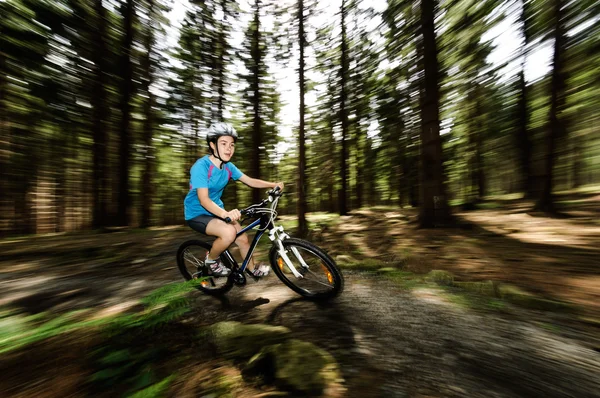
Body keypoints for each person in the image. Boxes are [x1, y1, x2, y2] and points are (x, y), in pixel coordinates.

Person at [184, 122, 284, 277]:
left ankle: (252, 269)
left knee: (243, 239)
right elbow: (203, 200)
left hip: (217, 211)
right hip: (197, 213)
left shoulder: (229, 167)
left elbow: (249, 180)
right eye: (223, 144)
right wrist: (225, 214)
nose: (229, 148)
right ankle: (211, 260)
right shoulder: (201, 167)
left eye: (231, 145)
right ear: (212, 145)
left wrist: (274, 184)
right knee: (229, 233)